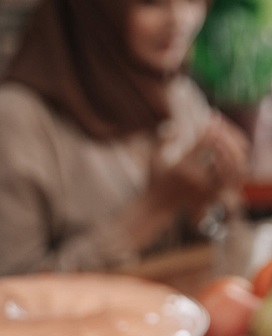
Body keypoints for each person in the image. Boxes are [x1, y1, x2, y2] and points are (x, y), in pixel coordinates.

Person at [0, 0, 249, 275]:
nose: (181, 19)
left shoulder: (179, 96)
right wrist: (156, 206)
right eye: (151, 2)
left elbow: (222, 261)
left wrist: (211, 203)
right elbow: (15, 295)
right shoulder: (20, 119)